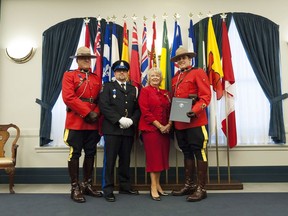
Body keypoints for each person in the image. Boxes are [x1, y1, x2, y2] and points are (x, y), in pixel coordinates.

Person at [62, 46, 103, 203]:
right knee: (75, 153)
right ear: (77, 60)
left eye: (89, 58)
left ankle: (87, 185)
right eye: (83, 57)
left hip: (93, 122)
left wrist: (97, 113)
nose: (86, 60)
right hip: (76, 121)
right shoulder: (69, 75)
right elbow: (69, 97)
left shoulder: (96, 78)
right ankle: (75, 187)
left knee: (91, 153)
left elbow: (101, 99)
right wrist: (87, 113)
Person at [170, 47, 211, 202]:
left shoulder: (198, 72)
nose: (181, 61)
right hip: (180, 123)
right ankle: (189, 185)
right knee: (186, 152)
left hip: (196, 121)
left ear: (190, 59)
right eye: (179, 59)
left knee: (199, 151)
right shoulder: (175, 78)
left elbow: (206, 96)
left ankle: (202, 188)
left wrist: (194, 111)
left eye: (184, 58)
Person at [99, 60, 140, 202]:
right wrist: (119, 120)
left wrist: (132, 120)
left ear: (128, 73)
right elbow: (104, 106)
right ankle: (108, 189)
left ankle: (125, 186)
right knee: (109, 161)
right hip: (112, 129)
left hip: (128, 130)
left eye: (124, 70)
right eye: (118, 71)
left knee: (125, 160)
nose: (121, 73)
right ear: (114, 73)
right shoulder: (108, 87)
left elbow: (137, 109)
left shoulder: (133, 88)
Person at [138, 67, 172, 201]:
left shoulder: (166, 93)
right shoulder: (144, 91)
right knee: (154, 159)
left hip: (165, 130)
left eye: (158, 76)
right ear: (148, 78)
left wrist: (169, 124)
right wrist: (160, 126)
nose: (155, 78)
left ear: (161, 78)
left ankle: (158, 185)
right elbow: (145, 112)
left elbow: (171, 110)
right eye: (153, 76)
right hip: (151, 130)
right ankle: (153, 186)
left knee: (162, 158)